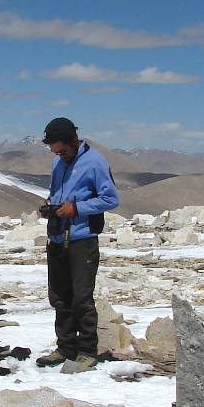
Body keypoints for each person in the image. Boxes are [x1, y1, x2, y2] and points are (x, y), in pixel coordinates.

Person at [33, 118, 129, 365]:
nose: (60, 156)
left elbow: (110, 199)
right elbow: (58, 193)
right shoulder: (58, 162)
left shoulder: (95, 162)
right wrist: (51, 205)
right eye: (56, 152)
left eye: (62, 151)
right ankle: (65, 348)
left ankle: (87, 350)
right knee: (59, 297)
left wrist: (76, 208)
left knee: (81, 298)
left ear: (74, 141)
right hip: (57, 236)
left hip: (82, 238)